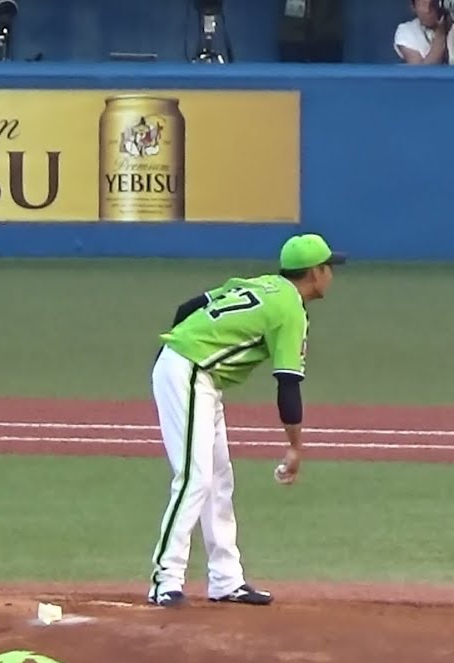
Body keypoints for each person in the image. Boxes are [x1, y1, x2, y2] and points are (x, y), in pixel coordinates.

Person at [146, 233, 346, 608]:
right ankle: (165, 579)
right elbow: (288, 383)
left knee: (219, 479)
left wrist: (184, 346)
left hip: (195, 371)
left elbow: (189, 307)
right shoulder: (291, 310)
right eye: (329, 267)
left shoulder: (261, 284)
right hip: (189, 372)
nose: (332, 275)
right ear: (314, 273)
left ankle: (225, 580)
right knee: (195, 478)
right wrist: (295, 447)